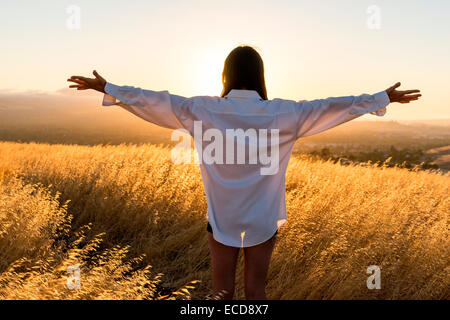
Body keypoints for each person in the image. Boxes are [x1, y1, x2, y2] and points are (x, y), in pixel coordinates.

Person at [68, 45, 421, 300]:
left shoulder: (202, 109)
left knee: (221, 293)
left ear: (226, 76)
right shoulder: (284, 114)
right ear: (260, 76)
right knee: (257, 292)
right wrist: (381, 98)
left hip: (221, 217)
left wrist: (108, 88)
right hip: (263, 220)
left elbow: (154, 99)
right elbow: (332, 107)